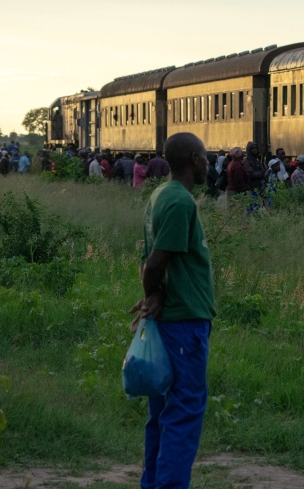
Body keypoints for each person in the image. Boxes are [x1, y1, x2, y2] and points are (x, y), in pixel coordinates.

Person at [129, 132, 214, 489]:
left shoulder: (160, 195)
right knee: (183, 415)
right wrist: (154, 295)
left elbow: (149, 260)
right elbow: (155, 261)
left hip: (173, 323)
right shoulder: (180, 202)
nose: (209, 162)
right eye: (205, 156)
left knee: (162, 415)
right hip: (184, 323)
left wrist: (155, 294)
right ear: (195, 159)